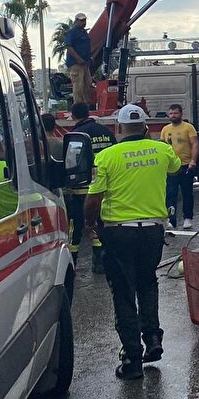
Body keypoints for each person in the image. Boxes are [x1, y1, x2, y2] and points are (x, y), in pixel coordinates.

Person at [85, 104, 179, 380]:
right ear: (146, 127)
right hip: (152, 231)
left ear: (118, 128)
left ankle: (132, 359)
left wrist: (90, 223)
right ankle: (152, 338)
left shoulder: (106, 157)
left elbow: (93, 198)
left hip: (118, 233)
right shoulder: (162, 150)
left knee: (124, 293)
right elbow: (174, 168)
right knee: (147, 282)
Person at [65, 101, 115, 273]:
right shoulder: (105, 131)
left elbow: (71, 162)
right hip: (103, 188)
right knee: (100, 223)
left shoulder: (76, 134)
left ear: (73, 115)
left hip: (81, 190)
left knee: (76, 227)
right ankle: (99, 261)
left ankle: (71, 262)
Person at [160, 103, 199, 230]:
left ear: (181, 114)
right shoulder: (165, 129)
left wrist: (193, 160)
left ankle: (188, 218)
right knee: (170, 194)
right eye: (171, 113)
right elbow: (163, 147)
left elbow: (194, 144)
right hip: (171, 167)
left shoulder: (188, 128)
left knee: (187, 193)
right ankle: (171, 220)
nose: (173, 116)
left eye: (175, 113)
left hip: (186, 165)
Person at [65, 12, 93, 108]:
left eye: (84, 20)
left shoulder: (84, 33)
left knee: (88, 83)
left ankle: (86, 104)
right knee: (78, 84)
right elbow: (69, 47)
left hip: (85, 63)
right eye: (81, 21)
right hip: (76, 64)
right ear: (76, 21)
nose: (84, 22)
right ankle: (78, 105)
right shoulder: (72, 32)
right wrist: (78, 59)